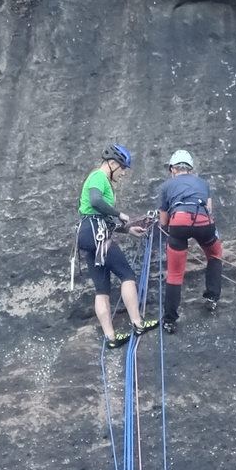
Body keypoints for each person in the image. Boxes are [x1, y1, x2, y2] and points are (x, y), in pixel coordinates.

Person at [78, 145, 158, 347]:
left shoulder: (102, 181)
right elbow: (96, 201)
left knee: (102, 288)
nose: (122, 173)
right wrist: (119, 213)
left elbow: (102, 217)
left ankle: (111, 338)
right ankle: (137, 323)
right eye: (122, 168)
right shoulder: (98, 177)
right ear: (112, 163)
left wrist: (128, 230)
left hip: (90, 235)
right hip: (96, 233)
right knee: (127, 275)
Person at [156, 149, 223, 334]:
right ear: (190, 169)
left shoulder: (166, 186)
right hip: (203, 222)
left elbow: (163, 222)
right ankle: (212, 297)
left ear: (173, 169)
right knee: (215, 255)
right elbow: (208, 209)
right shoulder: (203, 183)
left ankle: (169, 321)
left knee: (175, 275)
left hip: (179, 222)